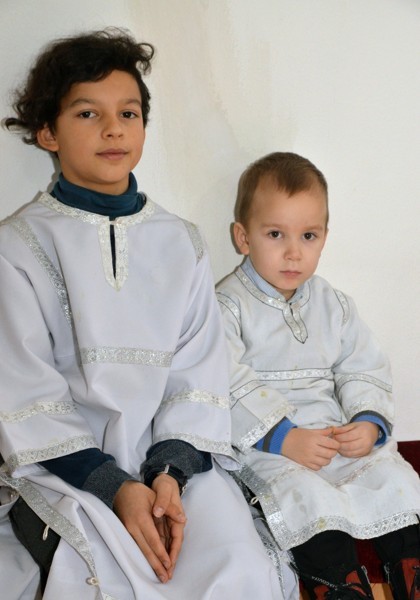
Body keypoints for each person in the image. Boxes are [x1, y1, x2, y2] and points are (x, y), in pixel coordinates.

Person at [0, 29, 287, 599]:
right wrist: (116, 486)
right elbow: (24, 390)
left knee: (237, 566)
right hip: (67, 471)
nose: (113, 129)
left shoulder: (182, 241)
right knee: (105, 578)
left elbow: (197, 376)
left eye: (128, 113)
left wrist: (168, 477)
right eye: (88, 113)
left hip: (173, 472)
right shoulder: (17, 246)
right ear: (48, 132)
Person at [216, 151, 420, 600]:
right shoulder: (227, 307)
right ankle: (340, 587)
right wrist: (283, 437)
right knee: (304, 498)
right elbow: (223, 380)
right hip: (272, 446)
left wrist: (368, 423)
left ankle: (412, 574)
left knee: (395, 480)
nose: (294, 252)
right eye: (275, 234)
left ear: (324, 237)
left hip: (335, 433)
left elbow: (363, 365)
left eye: (308, 235)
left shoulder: (334, 304)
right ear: (243, 237)